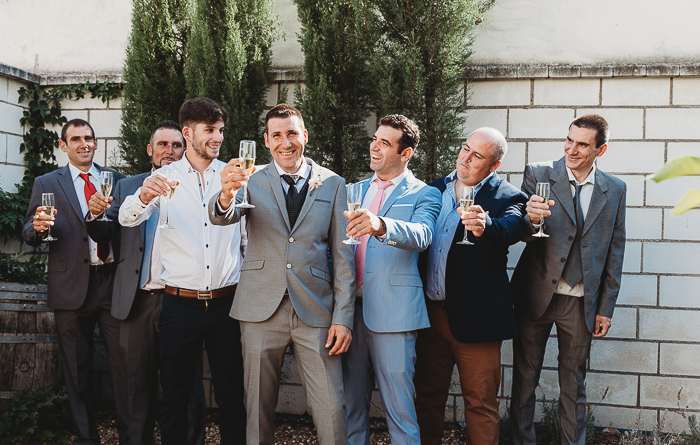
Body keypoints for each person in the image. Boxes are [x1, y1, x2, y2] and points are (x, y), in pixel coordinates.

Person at [208, 103, 355, 445]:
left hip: (315, 311)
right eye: (277, 135)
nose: (285, 143)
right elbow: (222, 216)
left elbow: (343, 255)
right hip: (259, 309)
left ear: (305, 135)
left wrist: (343, 317)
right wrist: (226, 194)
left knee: (331, 407)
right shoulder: (250, 179)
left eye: (292, 134)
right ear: (266, 140)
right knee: (257, 408)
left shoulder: (333, 183)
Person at [119, 98, 246, 445]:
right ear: (188, 133)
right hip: (179, 306)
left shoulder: (234, 176)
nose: (217, 137)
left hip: (226, 305)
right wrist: (143, 197)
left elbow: (247, 241)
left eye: (221, 130)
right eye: (210, 130)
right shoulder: (163, 178)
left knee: (232, 396)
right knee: (174, 398)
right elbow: (126, 218)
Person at [85, 120, 208, 445]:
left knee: (186, 386)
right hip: (136, 300)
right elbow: (106, 230)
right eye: (163, 144)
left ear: (185, 149)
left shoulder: (198, 185)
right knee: (133, 388)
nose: (170, 150)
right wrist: (94, 215)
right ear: (150, 150)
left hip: (182, 300)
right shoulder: (126, 186)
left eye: (176, 145)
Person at [510, 114, 626, 445]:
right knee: (524, 380)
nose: (571, 149)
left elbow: (615, 249)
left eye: (582, 144)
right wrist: (530, 219)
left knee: (574, 385)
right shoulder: (539, 173)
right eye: (569, 140)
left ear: (601, 149)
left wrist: (606, 308)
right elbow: (522, 231)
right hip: (535, 294)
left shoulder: (615, 189)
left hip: (580, 301)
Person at [413, 127, 527, 445]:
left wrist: (485, 225)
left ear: (494, 165)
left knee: (480, 404)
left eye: (477, 155)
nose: (466, 158)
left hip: (477, 321)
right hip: (430, 317)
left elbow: (511, 227)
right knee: (427, 398)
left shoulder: (508, 196)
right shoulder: (434, 189)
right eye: (465, 148)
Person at [22, 118, 128, 445]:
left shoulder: (115, 179)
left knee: (124, 367)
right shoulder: (46, 182)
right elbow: (28, 231)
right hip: (70, 287)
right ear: (63, 145)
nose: (84, 144)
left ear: (95, 142)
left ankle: (131, 436)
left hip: (112, 283)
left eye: (89, 138)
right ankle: (86, 437)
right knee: (77, 370)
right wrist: (37, 228)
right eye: (76, 139)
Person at [342, 114, 441, 444]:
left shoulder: (425, 194)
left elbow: (423, 235)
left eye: (384, 143)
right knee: (351, 408)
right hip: (349, 314)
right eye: (375, 139)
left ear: (405, 153)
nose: (374, 146)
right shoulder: (353, 190)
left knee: (400, 411)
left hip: (394, 314)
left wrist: (381, 225)